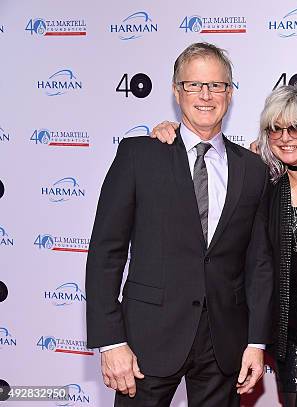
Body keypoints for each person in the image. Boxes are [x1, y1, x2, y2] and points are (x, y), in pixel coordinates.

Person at [149, 84, 297, 407]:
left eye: (295, 127)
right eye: (274, 129)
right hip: (289, 338)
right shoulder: (263, 184)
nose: (284, 137)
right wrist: (171, 132)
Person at [86, 42, 274, 407]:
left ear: (230, 93)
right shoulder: (140, 155)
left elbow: (259, 264)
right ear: (176, 91)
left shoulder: (252, 171)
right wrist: (111, 341)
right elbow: (106, 252)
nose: (205, 95)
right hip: (146, 342)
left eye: (216, 85)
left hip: (224, 345)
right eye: (193, 85)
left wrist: (255, 341)